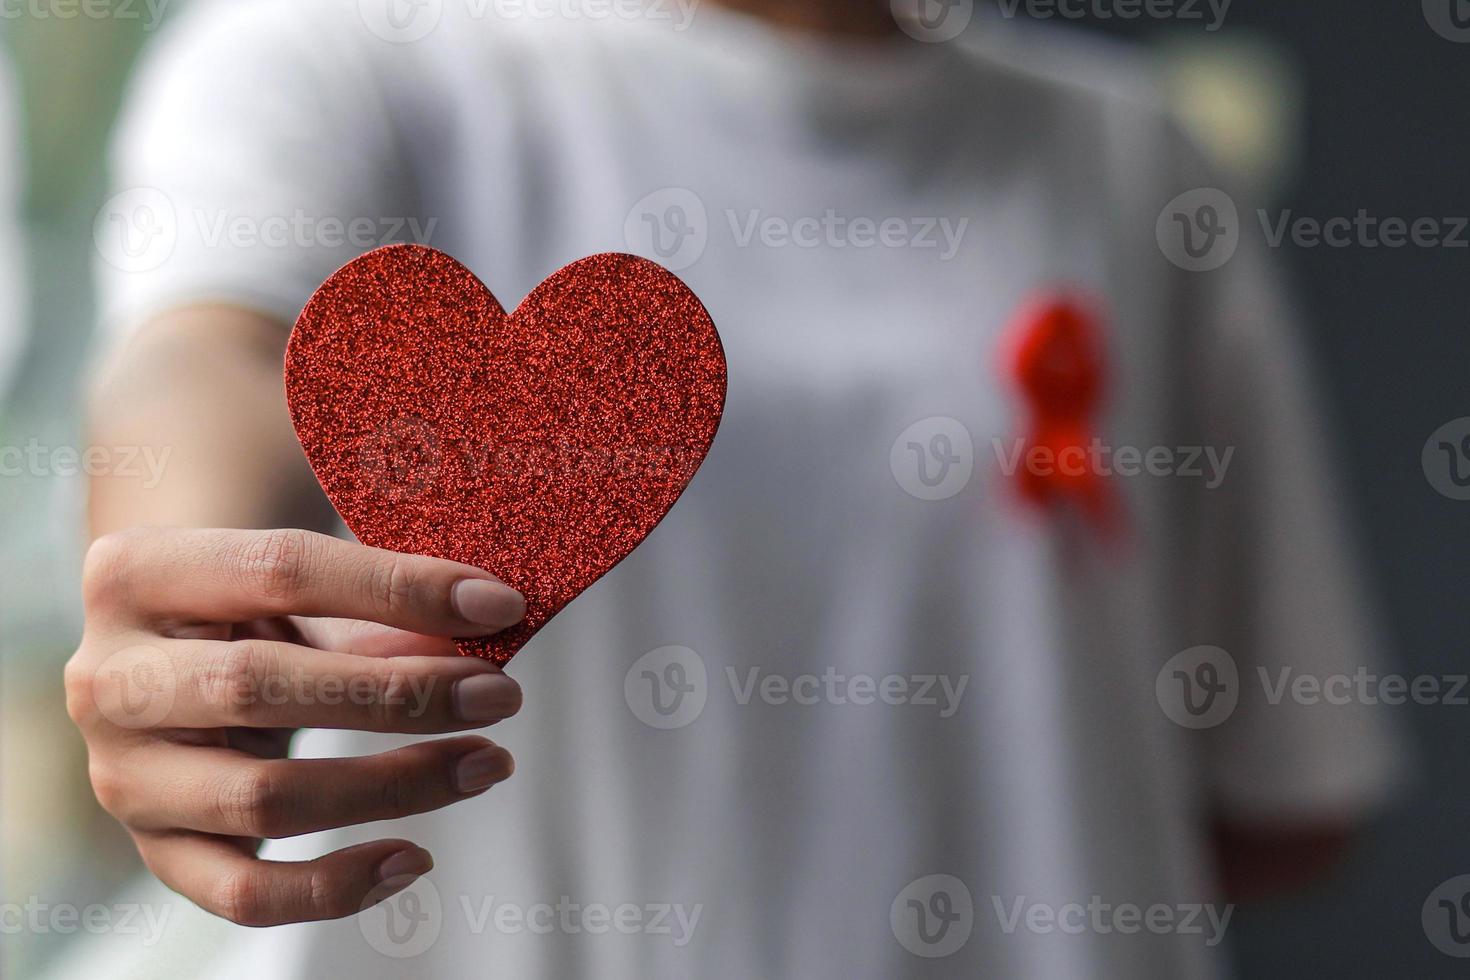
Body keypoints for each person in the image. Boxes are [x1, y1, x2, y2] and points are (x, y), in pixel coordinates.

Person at [63, 0, 1404, 977]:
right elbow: (207, 351)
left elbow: (1286, 795)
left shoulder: (1135, 159)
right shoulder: (339, 58)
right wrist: (185, 594)